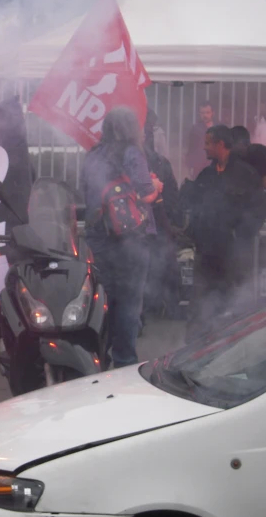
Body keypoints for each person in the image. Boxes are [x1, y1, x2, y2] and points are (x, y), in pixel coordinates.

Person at [82, 107, 162, 369]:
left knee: (102, 303)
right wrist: (157, 186)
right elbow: (145, 191)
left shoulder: (93, 155)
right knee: (129, 305)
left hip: (99, 242)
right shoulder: (131, 152)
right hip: (131, 242)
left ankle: (97, 360)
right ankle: (125, 363)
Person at [182, 125, 266, 343]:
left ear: (221, 144)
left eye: (208, 142)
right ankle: (193, 351)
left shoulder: (246, 175)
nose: (204, 147)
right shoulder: (206, 175)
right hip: (206, 256)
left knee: (232, 308)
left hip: (233, 259)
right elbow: (195, 208)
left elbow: (258, 212)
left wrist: (239, 237)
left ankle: (229, 351)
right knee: (199, 307)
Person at [143, 109, 181, 317]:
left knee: (164, 263)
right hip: (142, 226)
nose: (148, 134)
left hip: (158, 223)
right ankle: (153, 306)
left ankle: (168, 305)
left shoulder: (160, 163)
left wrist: (168, 218)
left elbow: (172, 195)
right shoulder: (131, 163)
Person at [232, 125, 266, 196]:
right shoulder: (238, 157)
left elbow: (265, 187)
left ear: (241, 143)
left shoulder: (257, 152)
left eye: (232, 143)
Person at [187, 101, 217, 180]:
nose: (205, 115)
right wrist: (191, 165)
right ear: (199, 114)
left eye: (207, 112)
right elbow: (191, 149)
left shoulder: (219, 128)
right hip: (199, 168)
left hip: (216, 166)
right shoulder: (195, 129)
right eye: (202, 113)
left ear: (212, 113)